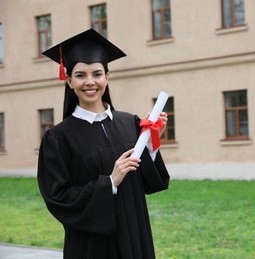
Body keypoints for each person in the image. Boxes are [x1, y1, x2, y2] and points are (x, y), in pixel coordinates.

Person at [37, 29, 170, 259]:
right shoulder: (59, 138)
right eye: (80, 75)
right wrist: (109, 182)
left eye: (97, 74)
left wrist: (150, 143)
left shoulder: (131, 123)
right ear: (68, 81)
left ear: (107, 76)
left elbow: (150, 184)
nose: (90, 82)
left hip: (135, 237)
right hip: (92, 246)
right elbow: (57, 198)